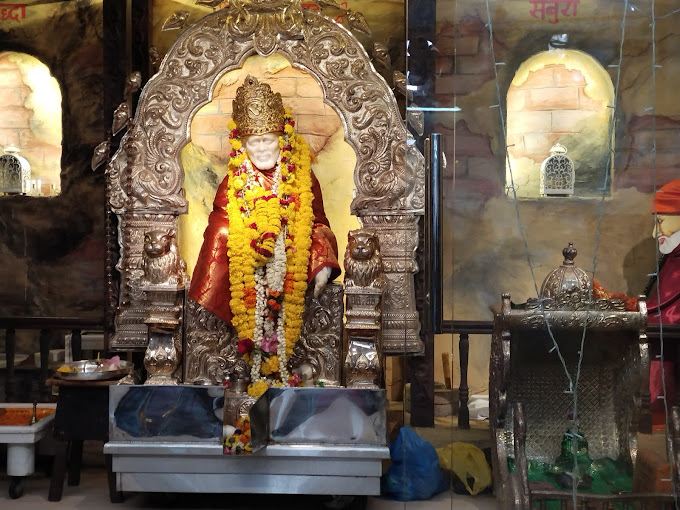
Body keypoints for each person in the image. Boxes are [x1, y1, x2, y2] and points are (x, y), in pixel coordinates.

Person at [188, 75, 341, 396]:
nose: (260, 149)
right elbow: (219, 223)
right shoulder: (234, 180)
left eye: (267, 141)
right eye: (253, 143)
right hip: (246, 276)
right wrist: (250, 241)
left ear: (282, 139)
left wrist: (321, 260)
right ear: (242, 145)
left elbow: (319, 224)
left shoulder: (302, 177)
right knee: (223, 232)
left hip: (292, 266)